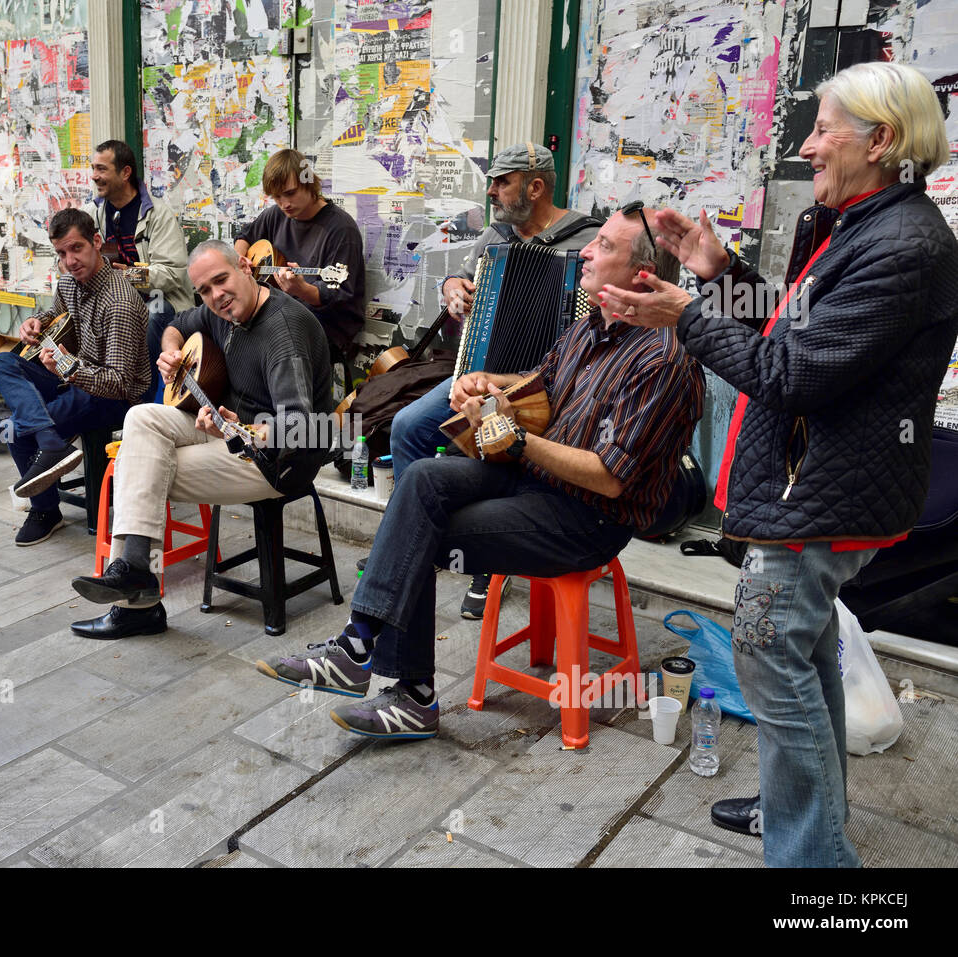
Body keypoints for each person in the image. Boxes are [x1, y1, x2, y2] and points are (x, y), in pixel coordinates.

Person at [599, 62, 958, 868]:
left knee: (770, 665)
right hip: (815, 487)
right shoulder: (859, 222)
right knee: (799, 655)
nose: (806, 145)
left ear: (883, 140)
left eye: (824, 127)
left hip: (821, 499)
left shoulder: (904, 245)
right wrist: (717, 272)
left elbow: (790, 376)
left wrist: (687, 316)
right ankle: (797, 813)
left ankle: (816, 864)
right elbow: (793, 333)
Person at [257, 207, 704, 740]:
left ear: (643, 276)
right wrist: (488, 383)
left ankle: (407, 691)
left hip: (587, 518)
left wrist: (518, 439)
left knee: (418, 533)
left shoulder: (666, 361)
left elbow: (609, 478)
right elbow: (542, 383)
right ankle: (359, 650)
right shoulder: (593, 325)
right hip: (537, 481)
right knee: (420, 480)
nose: (586, 250)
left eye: (604, 246)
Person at [68, 240, 335, 640]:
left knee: (138, 468)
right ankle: (137, 574)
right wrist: (170, 352)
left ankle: (136, 599)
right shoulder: (221, 312)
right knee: (140, 418)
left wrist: (238, 429)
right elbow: (176, 325)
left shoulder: (283, 331)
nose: (216, 296)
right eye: (205, 290)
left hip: (279, 461)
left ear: (246, 267)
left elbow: (295, 427)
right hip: (228, 433)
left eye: (221, 281)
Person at [391, 142, 601, 619]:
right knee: (407, 427)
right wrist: (453, 291)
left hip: (546, 388)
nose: (491, 192)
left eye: (501, 182)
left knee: (499, 442)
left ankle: (487, 562)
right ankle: (413, 544)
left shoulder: (587, 240)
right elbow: (458, 284)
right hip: (478, 374)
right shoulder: (496, 236)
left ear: (536, 186)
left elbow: (602, 329)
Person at [0, 207, 151, 546]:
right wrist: (35, 323)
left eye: (76, 248)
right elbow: (55, 316)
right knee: (3, 363)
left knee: (20, 428)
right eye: (62, 253)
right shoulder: (69, 284)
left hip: (115, 398)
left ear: (96, 242)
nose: (70, 260)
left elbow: (119, 382)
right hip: (73, 377)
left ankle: (46, 510)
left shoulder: (119, 302)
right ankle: (50, 442)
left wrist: (68, 368)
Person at [234, 148, 367, 361]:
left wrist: (303, 290)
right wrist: (239, 260)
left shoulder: (342, 229)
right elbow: (245, 236)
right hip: (280, 314)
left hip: (327, 327)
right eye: (276, 197)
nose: (284, 204)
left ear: (308, 183)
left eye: (290, 193)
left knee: (259, 344)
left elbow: (340, 295)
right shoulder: (276, 214)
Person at [85, 139, 193, 391]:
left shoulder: (158, 214)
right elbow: (69, 254)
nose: (94, 176)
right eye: (93, 168)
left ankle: (150, 394)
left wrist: (130, 276)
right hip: (115, 303)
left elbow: (173, 274)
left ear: (125, 173)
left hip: (160, 301)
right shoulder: (92, 213)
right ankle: (97, 394)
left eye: (102, 169)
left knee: (153, 312)